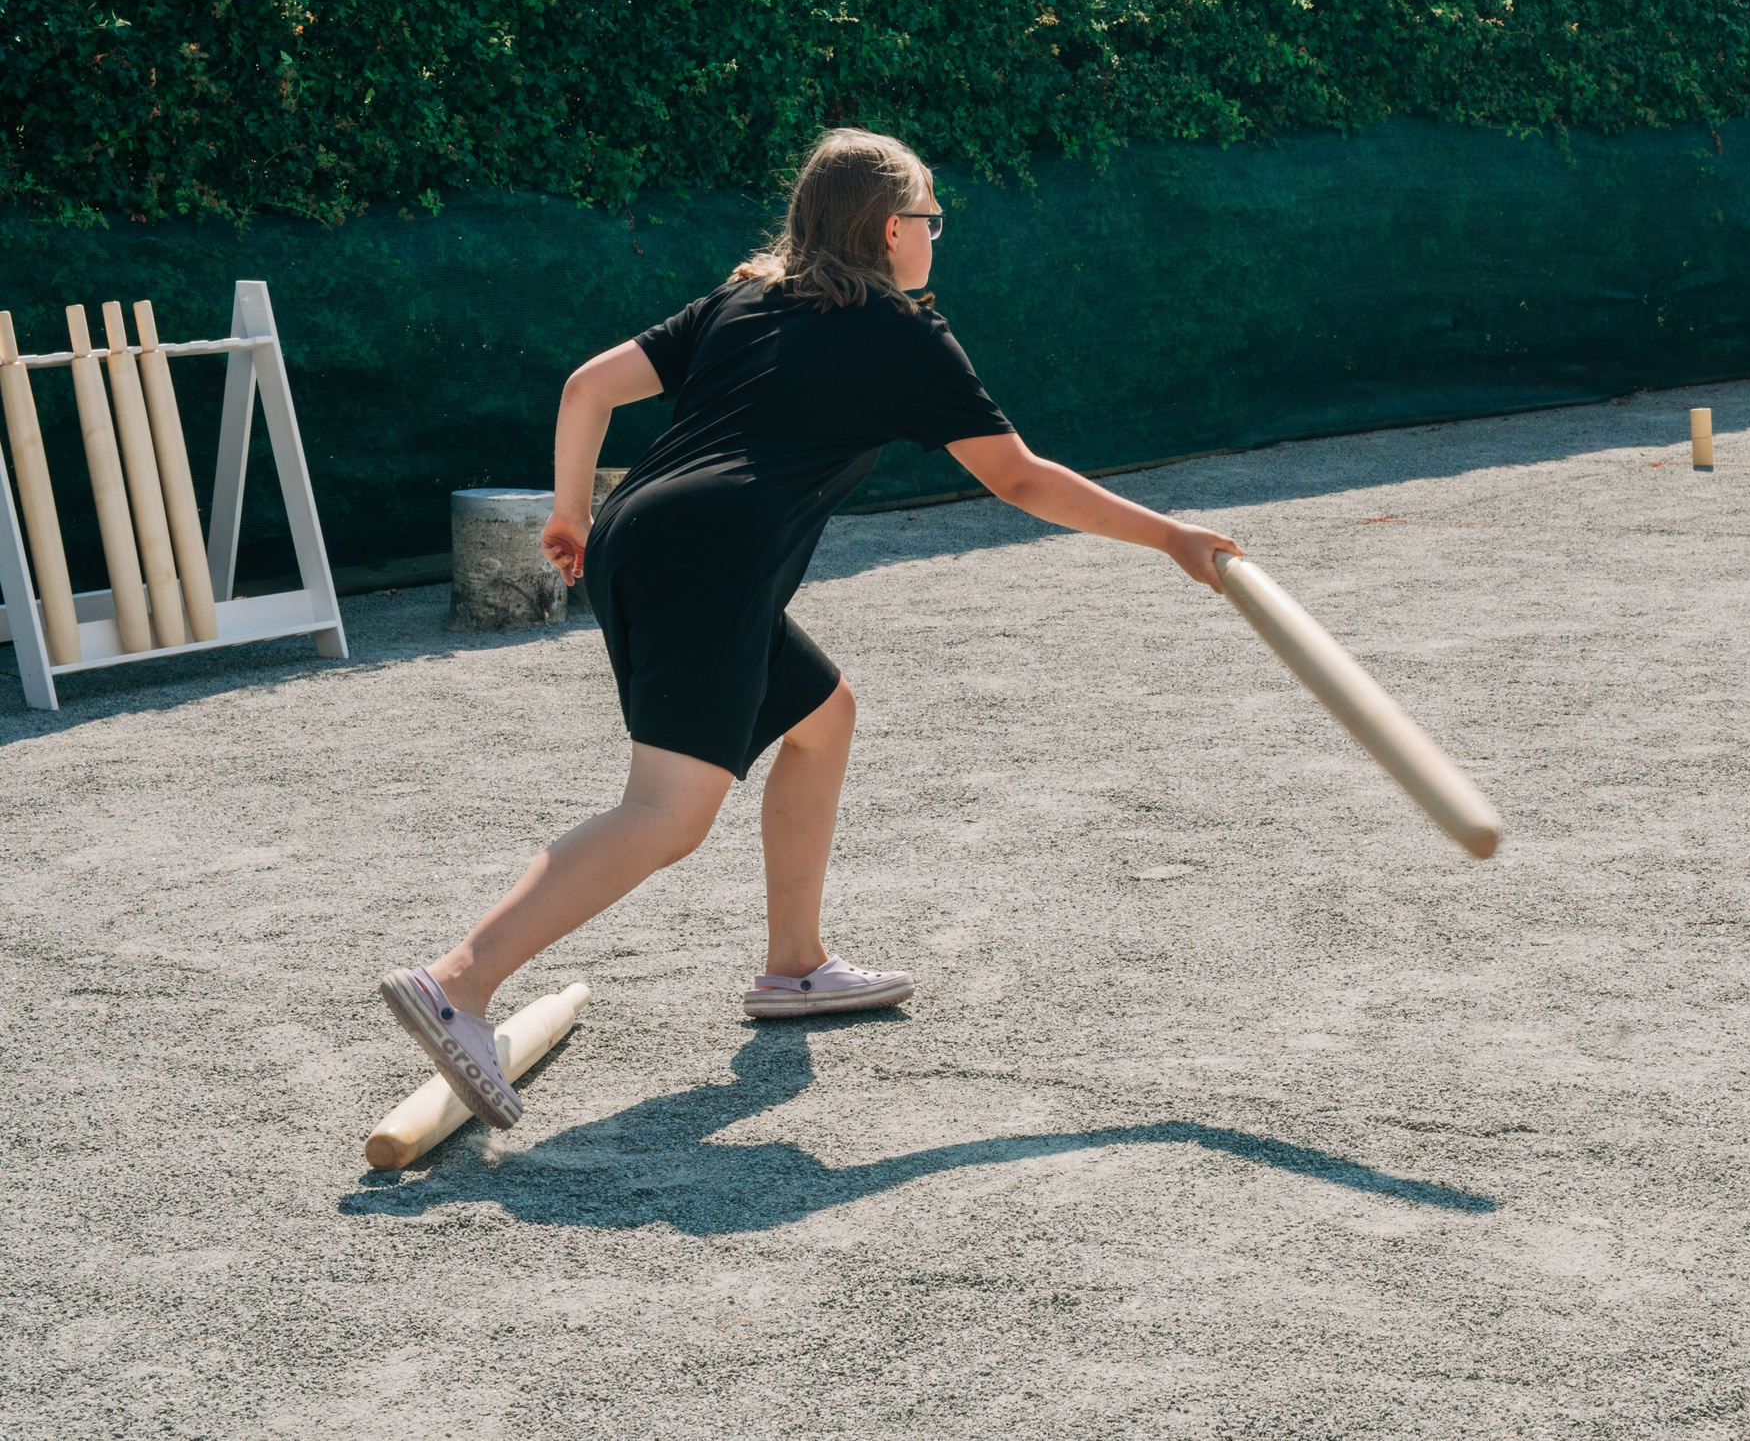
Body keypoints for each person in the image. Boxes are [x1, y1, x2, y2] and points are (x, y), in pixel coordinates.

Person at [380, 128, 1240, 1130]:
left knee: (822, 713)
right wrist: (1168, 535)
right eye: (930, 218)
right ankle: (459, 982)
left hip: (640, 536)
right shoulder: (902, 331)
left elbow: (586, 387)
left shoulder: (743, 299)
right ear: (889, 229)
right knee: (668, 812)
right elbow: (1017, 476)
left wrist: (570, 513)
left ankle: (793, 965)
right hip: (710, 554)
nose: (935, 235)